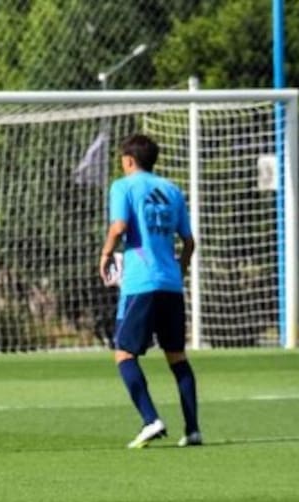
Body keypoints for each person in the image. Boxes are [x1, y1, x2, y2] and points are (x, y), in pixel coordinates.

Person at [98, 133, 201, 449]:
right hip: (170, 284)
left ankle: (150, 419)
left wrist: (104, 256)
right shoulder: (172, 190)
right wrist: (180, 268)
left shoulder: (123, 186)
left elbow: (119, 227)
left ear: (128, 160)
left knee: (124, 354)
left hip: (140, 283)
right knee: (177, 357)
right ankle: (193, 429)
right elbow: (189, 241)